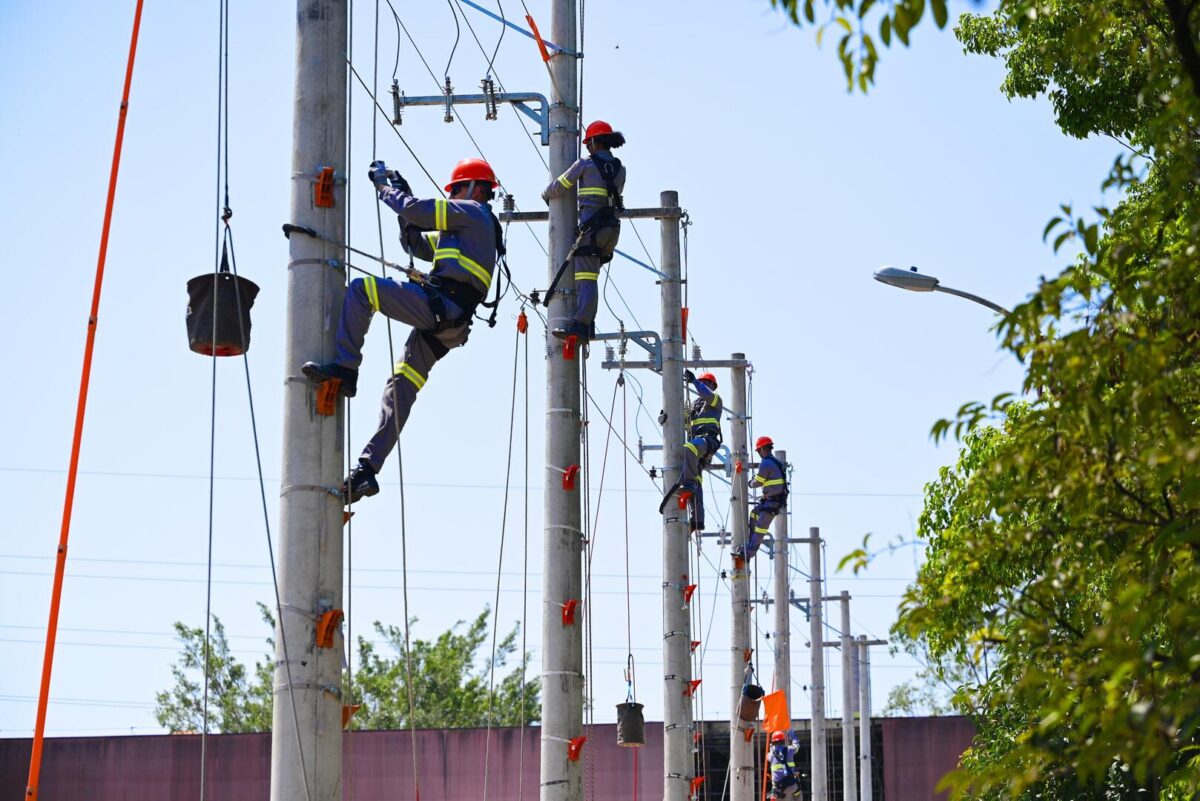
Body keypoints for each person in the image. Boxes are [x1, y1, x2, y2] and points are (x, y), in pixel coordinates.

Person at [302, 157, 502, 503]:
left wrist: (385, 187)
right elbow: (417, 244)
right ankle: (368, 470)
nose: (452, 196)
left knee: (363, 291)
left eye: (454, 190)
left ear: (472, 188)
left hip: (442, 308)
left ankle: (345, 368)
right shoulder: (470, 230)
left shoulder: (472, 212)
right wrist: (405, 211)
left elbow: (417, 212)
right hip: (449, 322)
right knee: (401, 388)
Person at [541, 120, 626, 341]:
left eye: (589, 144)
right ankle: (586, 321)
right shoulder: (620, 168)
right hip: (611, 231)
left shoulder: (585, 164)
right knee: (590, 277)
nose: (587, 148)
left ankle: (581, 324)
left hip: (591, 230)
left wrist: (546, 194)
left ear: (596, 142)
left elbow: (560, 185)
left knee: (585, 279)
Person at [658, 370, 723, 531]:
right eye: (703, 383)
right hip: (697, 448)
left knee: (690, 449)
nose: (705, 386)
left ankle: (688, 484)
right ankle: (697, 521)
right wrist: (664, 420)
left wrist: (695, 382)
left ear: (712, 386)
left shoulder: (715, 401)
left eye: (707, 384)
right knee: (696, 481)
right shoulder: (693, 407)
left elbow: (706, 394)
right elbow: (679, 424)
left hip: (708, 441)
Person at [741, 435, 788, 560]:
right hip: (770, 501)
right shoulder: (773, 462)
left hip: (773, 503)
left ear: (762, 449)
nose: (759, 454)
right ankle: (750, 542)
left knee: (760, 529)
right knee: (754, 514)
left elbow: (757, 482)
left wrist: (749, 483)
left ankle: (748, 553)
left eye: (758, 451)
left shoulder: (766, 463)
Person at [768, 730, 804, 801]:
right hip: (792, 785)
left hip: (780, 789)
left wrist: (771, 746)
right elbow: (797, 746)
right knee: (798, 794)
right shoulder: (790, 750)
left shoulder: (770, 755)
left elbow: (771, 752)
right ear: (784, 741)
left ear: (773, 742)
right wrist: (794, 738)